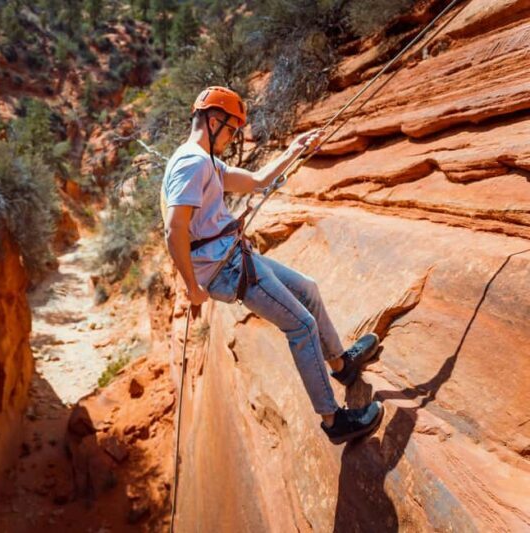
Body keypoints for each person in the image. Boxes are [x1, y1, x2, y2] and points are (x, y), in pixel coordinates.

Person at [162, 86, 383, 445]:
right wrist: (191, 287)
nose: (232, 137)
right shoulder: (193, 162)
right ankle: (333, 421)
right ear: (213, 120)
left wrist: (294, 152)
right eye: (232, 129)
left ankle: (341, 365)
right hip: (226, 269)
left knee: (308, 289)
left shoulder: (209, 165)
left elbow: (256, 181)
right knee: (301, 326)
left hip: (235, 259)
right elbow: (174, 230)